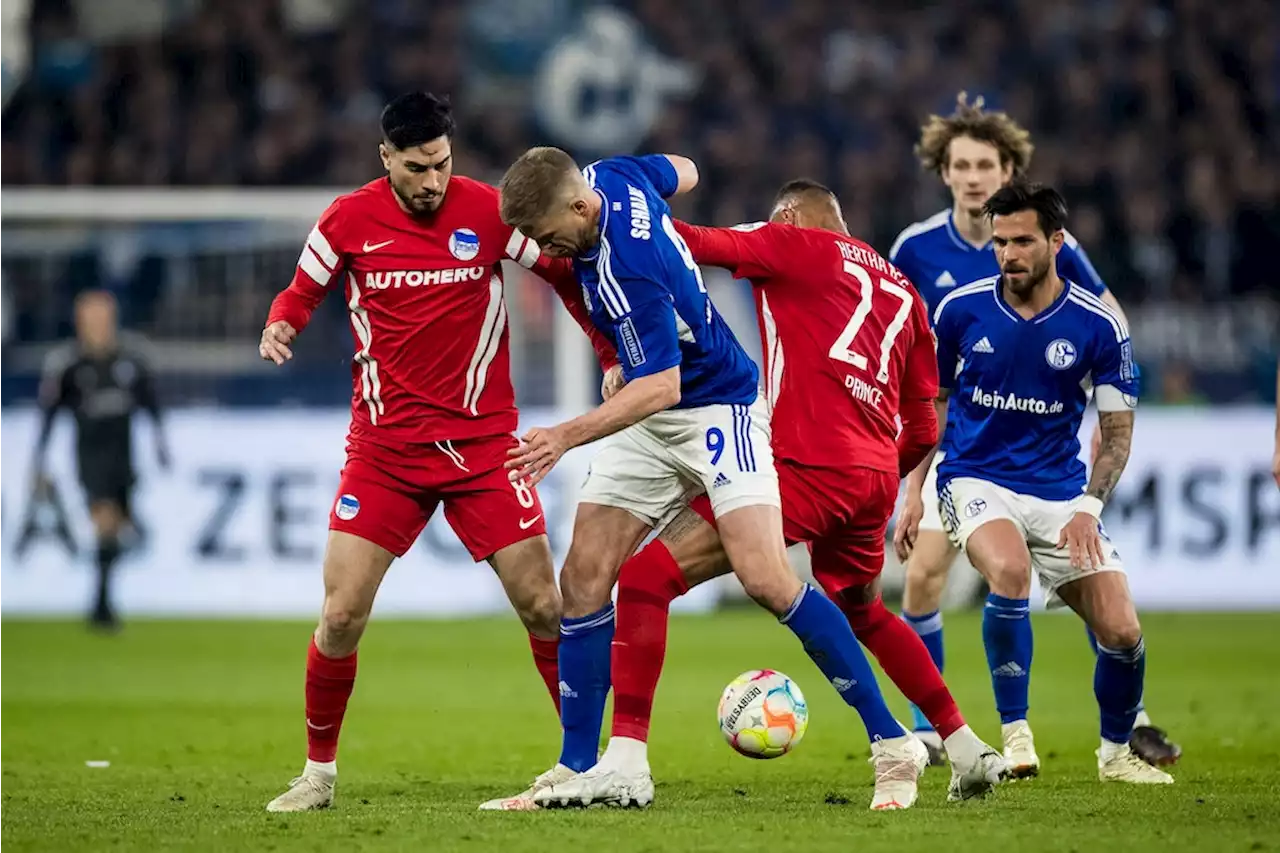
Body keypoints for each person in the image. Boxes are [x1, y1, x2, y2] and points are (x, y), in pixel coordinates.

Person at [513, 180, 1008, 811]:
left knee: (649, 578)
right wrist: (887, 481)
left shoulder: (790, 244)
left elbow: (684, 242)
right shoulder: (904, 292)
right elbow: (924, 424)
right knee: (865, 612)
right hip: (875, 477)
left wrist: (627, 216)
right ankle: (965, 746)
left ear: (790, 217)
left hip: (808, 462)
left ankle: (884, 742)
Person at [259, 93, 617, 813]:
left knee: (546, 606)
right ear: (385, 158)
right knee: (340, 615)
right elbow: (301, 293)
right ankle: (318, 774)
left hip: (485, 449)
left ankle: (587, 763)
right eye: (418, 167)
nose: (432, 181)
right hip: (384, 453)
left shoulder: (487, 212)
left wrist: (609, 348)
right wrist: (281, 325)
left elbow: (563, 273)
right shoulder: (347, 220)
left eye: (443, 164)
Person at [889, 92, 1179, 771]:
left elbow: (1105, 322)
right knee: (927, 576)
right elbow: (912, 358)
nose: (971, 176)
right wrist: (912, 474)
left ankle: (1123, 723)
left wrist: (1103, 382)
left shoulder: (1057, 249)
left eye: (983, 164)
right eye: (959, 165)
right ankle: (940, 725)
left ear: (1007, 168)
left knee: (1109, 614)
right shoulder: (919, 252)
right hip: (962, 445)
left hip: (1046, 463)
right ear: (944, 173)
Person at [32, 289, 169, 631]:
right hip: (90, 456)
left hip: (124, 455)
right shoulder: (69, 365)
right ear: (80, 322)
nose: (98, 324)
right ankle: (101, 607)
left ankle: (101, 600)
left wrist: (160, 445)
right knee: (105, 520)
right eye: (91, 317)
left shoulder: (131, 360)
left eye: (103, 316)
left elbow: (151, 405)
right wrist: (40, 458)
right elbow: (49, 414)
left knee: (120, 528)